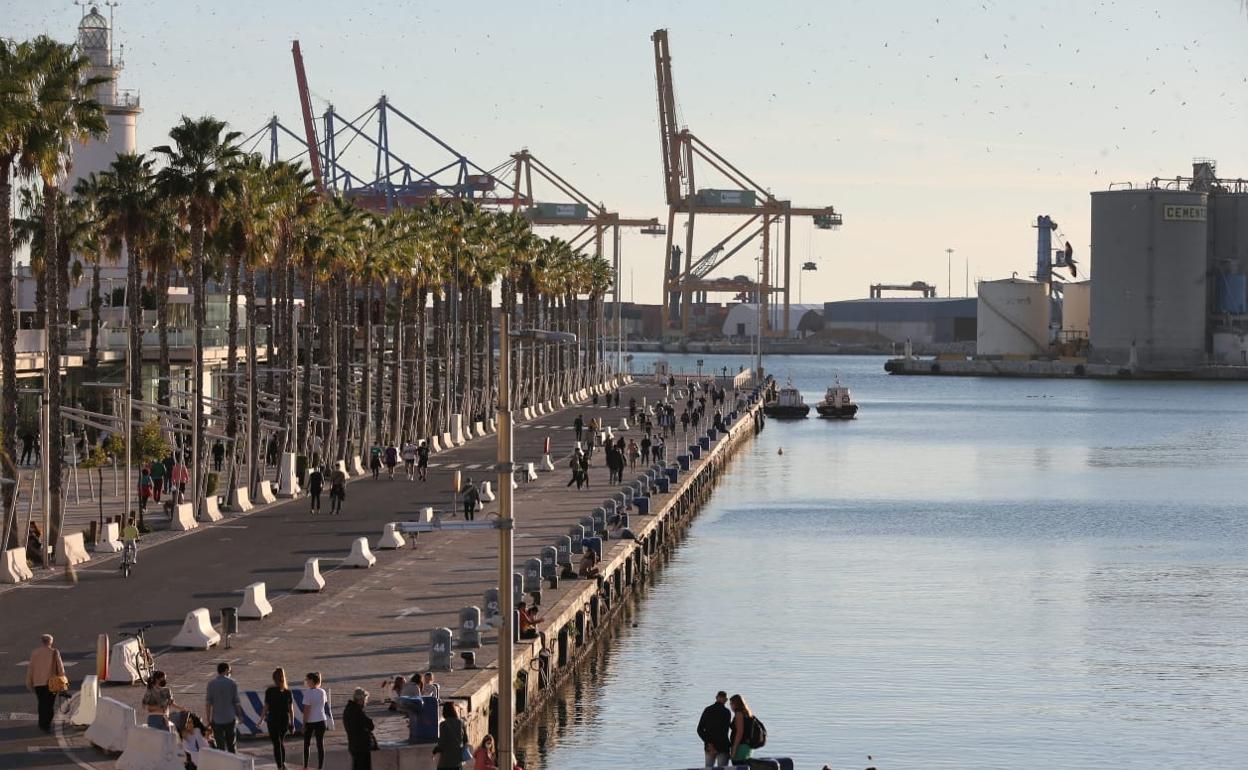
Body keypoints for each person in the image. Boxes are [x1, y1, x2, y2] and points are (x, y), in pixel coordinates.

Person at [26, 634, 65, 733]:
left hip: (38, 683)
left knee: (41, 703)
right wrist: (63, 682)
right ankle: (46, 723)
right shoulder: (54, 652)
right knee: (50, 704)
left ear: (42, 641)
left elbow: (31, 668)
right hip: (51, 683)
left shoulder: (35, 653)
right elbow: (60, 668)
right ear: (50, 642)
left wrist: (29, 682)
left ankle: (41, 723)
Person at [260, 668, 294, 770]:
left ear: (273, 678)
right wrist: (292, 723)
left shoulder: (269, 691)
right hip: (284, 720)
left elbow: (266, 707)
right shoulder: (287, 692)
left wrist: (261, 719)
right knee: (281, 742)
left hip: (272, 720)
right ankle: (282, 764)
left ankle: (280, 766)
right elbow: (291, 709)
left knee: (276, 743)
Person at [205, 662, 241, 753]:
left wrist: (208, 719)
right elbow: (236, 702)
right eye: (229, 671)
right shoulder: (232, 683)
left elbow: (208, 703)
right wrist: (240, 716)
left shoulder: (211, 684)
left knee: (220, 746)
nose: (230, 673)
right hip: (230, 718)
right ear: (226, 671)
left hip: (216, 719)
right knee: (231, 745)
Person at [697, 691, 732, 767]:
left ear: (716, 698)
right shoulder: (726, 712)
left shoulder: (708, 710)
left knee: (708, 767)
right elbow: (724, 731)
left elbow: (699, 729)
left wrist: (709, 744)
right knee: (723, 768)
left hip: (709, 747)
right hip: (723, 746)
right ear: (726, 700)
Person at [344, 688, 376, 770]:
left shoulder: (348, 709)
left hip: (353, 745)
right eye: (365, 700)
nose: (366, 702)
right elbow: (370, 725)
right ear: (361, 700)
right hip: (361, 747)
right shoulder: (357, 711)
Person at [302, 672, 328, 770]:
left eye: (307, 680)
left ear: (312, 681)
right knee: (320, 744)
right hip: (321, 720)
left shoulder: (308, 693)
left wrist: (304, 724)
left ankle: (305, 766)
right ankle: (320, 767)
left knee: (306, 744)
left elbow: (306, 710)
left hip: (310, 721)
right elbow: (324, 704)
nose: (306, 682)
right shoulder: (322, 691)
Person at [433, 701, 468, 770]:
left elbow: (441, 744)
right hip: (457, 762)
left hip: (446, 763)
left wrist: (434, 751)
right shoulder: (461, 723)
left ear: (444, 712)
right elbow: (466, 740)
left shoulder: (443, 724)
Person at [728, 694, 755, 765]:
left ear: (735, 704)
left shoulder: (739, 714)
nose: (730, 706)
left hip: (740, 747)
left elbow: (739, 733)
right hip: (748, 747)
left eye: (731, 704)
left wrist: (734, 750)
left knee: (738, 765)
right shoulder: (748, 714)